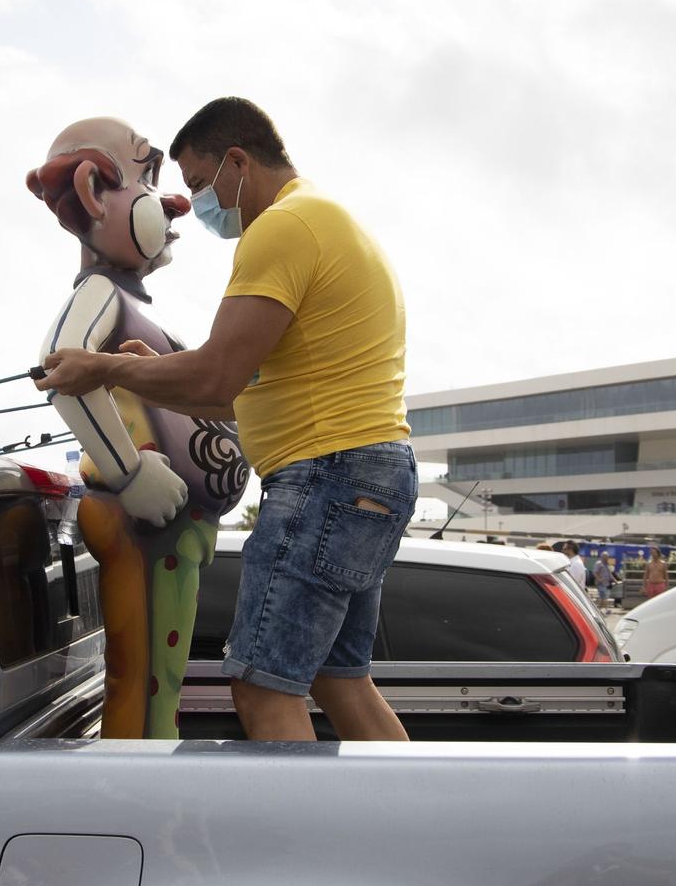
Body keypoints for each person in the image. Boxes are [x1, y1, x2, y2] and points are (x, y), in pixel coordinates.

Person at [36, 96, 415, 743]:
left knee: (262, 688)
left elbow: (213, 375)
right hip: (370, 474)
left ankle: (302, 845)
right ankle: (413, 830)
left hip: (326, 476)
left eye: (199, 184)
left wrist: (105, 370)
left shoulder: (283, 227)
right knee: (337, 677)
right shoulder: (330, 221)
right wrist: (144, 372)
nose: (194, 205)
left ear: (238, 161)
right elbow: (228, 398)